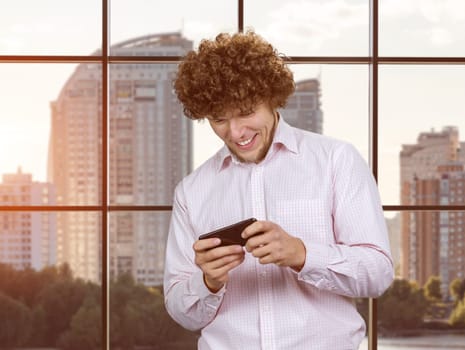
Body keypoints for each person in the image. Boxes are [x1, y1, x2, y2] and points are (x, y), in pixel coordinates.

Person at [164, 31, 394, 350]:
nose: (235, 132)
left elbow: (377, 272)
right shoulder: (191, 191)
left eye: (246, 112)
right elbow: (181, 311)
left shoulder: (335, 160)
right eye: (219, 119)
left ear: (272, 97)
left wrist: (302, 254)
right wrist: (208, 282)